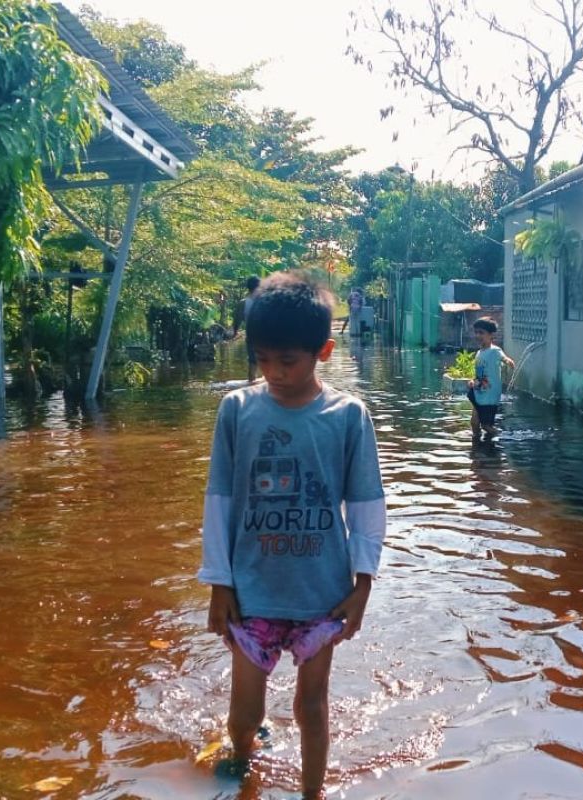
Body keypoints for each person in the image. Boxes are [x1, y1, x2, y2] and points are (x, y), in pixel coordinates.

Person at [198, 272, 387, 797]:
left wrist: (362, 585)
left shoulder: (348, 417)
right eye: (262, 359)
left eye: (288, 361)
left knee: (311, 705)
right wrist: (219, 582)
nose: (274, 373)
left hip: (321, 596)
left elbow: (367, 505)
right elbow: (220, 501)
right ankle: (242, 758)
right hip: (252, 591)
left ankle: (311, 793)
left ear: (323, 352)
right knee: (245, 713)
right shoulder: (237, 410)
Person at [466, 317, 515, 441]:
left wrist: (508, 361)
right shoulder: (479, 353)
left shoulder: (494, 351)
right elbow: (480, 374)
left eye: (481, 332)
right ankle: (477, 446)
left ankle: (503, 437)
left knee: (486, 426)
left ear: (490, 334)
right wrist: (473, 381)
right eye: (476, 332)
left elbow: (503, 357)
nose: (478, 335)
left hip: (489, 395)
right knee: (474, 423)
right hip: (478, 392)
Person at [234, 276, 263, 381]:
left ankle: (251, 382)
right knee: (269, 360)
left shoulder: (243, 303)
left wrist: (235, 331)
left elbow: (237, 319)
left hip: (251, 335)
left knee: (252, 361)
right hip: (267, 335)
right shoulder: (265, 301)